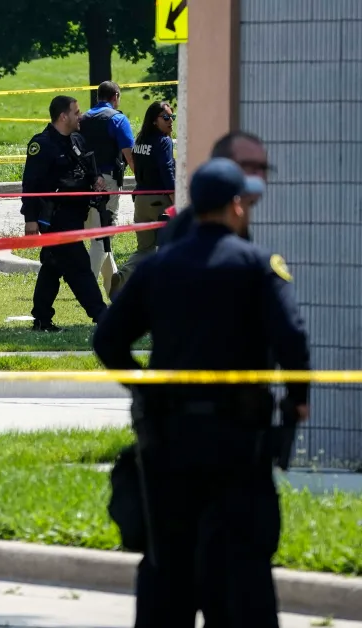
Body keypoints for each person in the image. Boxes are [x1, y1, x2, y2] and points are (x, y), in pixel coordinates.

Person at [92, 158, 310, 628]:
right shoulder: (257, 265)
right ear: (235, 207)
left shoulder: (157, 267)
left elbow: (107, 339)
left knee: (167, 563)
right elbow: (292, 338)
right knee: (243, 565)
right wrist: (297, 400)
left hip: (169, 441)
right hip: (239, 442)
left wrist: (144, 387)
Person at [21, 95, 108, 332]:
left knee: (53, 265)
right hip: (55, 217)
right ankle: (104, 317)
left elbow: (87, 168)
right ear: (63, 116)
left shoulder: (76, 140)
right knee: (79, 266)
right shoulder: (43, 144)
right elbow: (30, 185)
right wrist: (30, 219)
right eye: (76, 112)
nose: (80, 116)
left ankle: (41, 318)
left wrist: (97, 180)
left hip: (75, 214)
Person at [157, 130, 271, 248]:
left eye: (264, 168)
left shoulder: (236, 223)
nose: (259, 176)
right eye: (250, 166)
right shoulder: (185, 232)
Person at [108, 101, 177, 297]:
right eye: (166, 118)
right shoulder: (163, 141)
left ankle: (122, 276)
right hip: (160, 201)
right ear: (154, 121)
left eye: (172, 117)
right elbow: (167, 171)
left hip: (141, 200)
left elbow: (138, 169)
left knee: (144, 249)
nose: (170, 121)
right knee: (169, 248)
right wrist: (175, 200)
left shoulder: (140, 141)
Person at [79, 81, 135, 295]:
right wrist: (144, 179)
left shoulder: (82, 118)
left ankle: (114, 288)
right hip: (108, 182)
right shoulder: (117, 119)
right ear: (116, 96)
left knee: (100, 234)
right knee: (101, 236)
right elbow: (129, 155)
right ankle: (88, 288)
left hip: (85, 181)